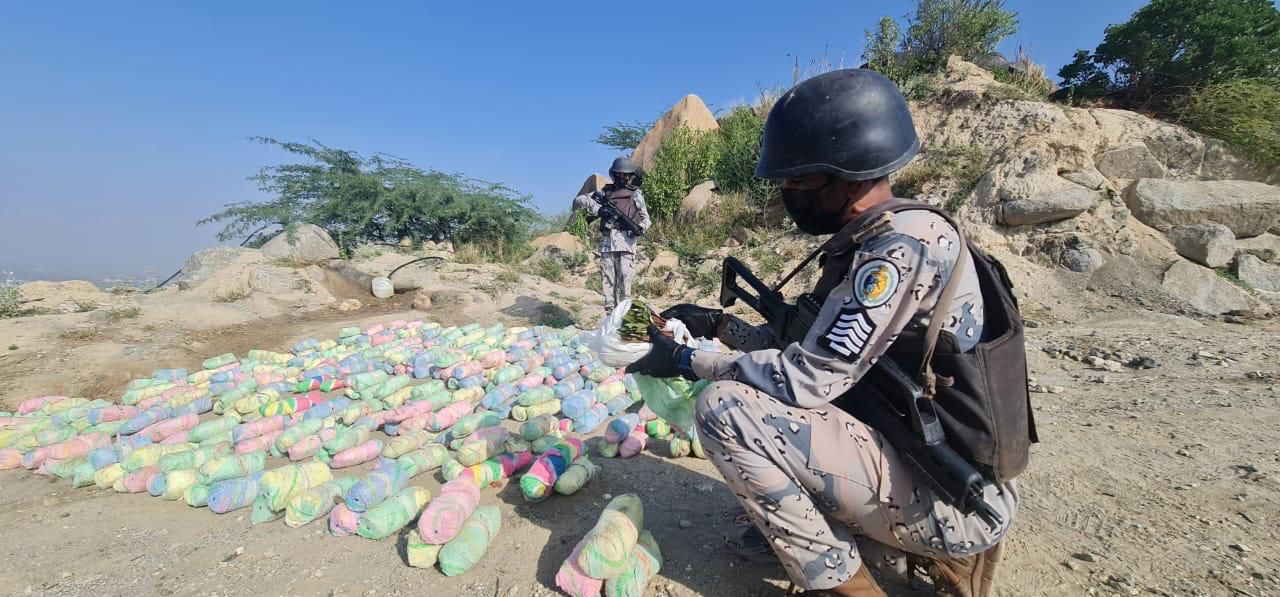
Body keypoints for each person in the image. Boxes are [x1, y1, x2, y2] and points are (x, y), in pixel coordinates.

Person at [629, 69, 1033, 596]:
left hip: (953, 494)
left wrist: (687, 361)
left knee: (726, 409)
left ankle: (855, 586)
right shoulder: (871, 238)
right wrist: (721, 326)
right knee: (761, 401)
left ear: (848, 173)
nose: (786, 194)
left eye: (798, 182)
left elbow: (802, 379)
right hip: (909, 455)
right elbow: (811, 349)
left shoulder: (900, 248)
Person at [572, 156, 652, 314]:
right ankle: (610, 318)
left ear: (631, 176)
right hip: (607, 242)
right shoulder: (605, 192)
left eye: (626, 175)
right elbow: (580, 199)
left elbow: (646, 219)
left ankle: (624, 318)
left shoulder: (636, 194)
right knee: (608, 282)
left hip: (627, 243)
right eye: (620, 175)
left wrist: (640, 228)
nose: (623, 178)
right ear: (614, 174)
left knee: (626, 284)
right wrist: (599, 209)